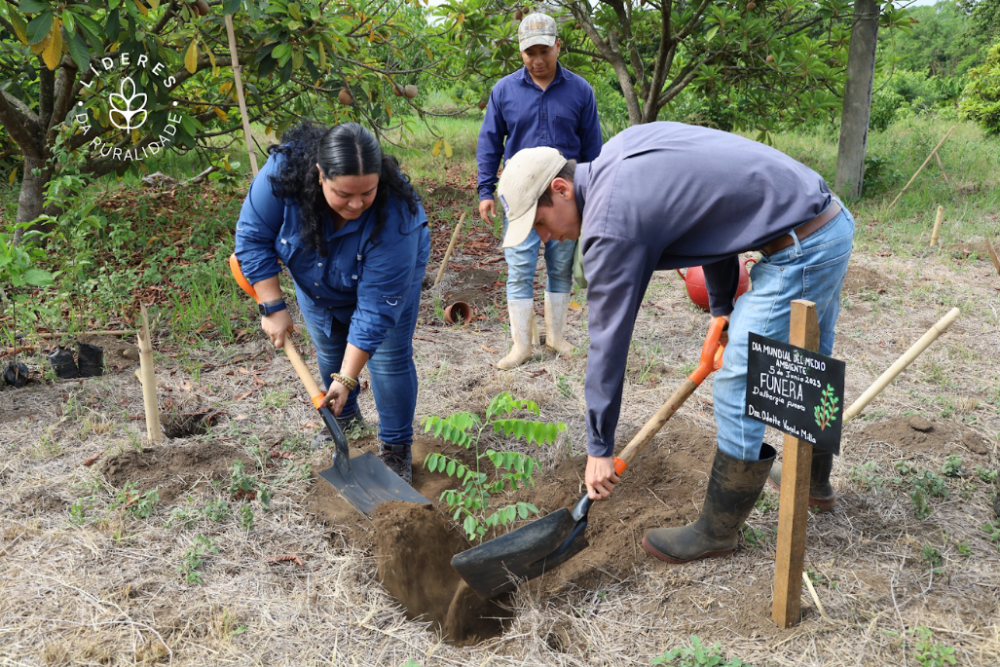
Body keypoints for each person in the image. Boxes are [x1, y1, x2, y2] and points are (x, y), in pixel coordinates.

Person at [495, 122, 854, 563]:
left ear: (562, 188)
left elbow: (609, 341)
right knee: (809, 359)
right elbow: (712, 214)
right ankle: (814, 483)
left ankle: (718, 532)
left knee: (739, 383)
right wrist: (722, 305)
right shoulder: (622, 153)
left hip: (802, 247)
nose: (545, 237)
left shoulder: (610, 222)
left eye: (541, 222)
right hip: (826, 222)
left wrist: (598, 449)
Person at [234, 122, 430, 484]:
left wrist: (347, 377)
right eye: (343, 194)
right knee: (327, 343)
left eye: (366, 193)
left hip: (384, 285)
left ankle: (396, 448)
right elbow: (252, 237)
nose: (356, 204)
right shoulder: (282, 177)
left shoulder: (398, 218)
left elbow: (375, 310)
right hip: (317, 277)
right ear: (320, 174)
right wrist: (272, 306)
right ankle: (345, 419)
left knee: (388, 357)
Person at [476, 12, 603, 369]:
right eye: (529, 52)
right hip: (521, 198)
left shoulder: (580, 90)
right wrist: (486, 190)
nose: (537, 59)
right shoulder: (504, 90)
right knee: (519, 266)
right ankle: (521, 345)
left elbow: (593, 148)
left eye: (544, 50)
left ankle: (557, 336)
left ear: (558, 46)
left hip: (563, 199)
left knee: (561, 265)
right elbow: (489, 142)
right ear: (520, 53)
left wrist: (592, 198)